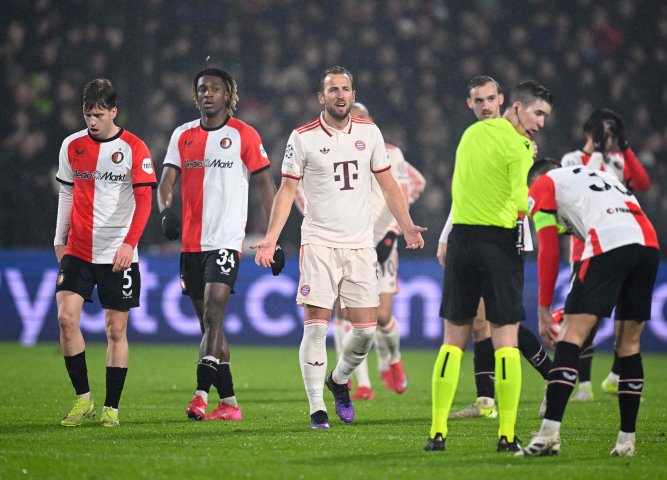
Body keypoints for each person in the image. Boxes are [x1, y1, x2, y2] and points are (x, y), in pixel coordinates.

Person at [252, 66, 426, 430]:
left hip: (361, 245)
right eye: (333, 90)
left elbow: (390, 185)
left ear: (352, 94)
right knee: (316, 328)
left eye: (346, 89)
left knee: (365, 331)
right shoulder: (302, 137)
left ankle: (339, 379)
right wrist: (270, 238)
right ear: (321, 97)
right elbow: (286, 191)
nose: (340, 95)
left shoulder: (370, 133)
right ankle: (317, 406)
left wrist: (406, 224)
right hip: (319, 244)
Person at [425, 80, 553, 452]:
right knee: (505, 338)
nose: (540, 123)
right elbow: (518, 198)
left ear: (499, 101)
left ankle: (437, 433)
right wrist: (548, 205)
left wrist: (448, 236)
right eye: (537, 113)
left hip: (463, 239)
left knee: (453, 341)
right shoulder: (521, 145)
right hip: (500, 242)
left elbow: (460, 189)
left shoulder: (469, 135)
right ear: (515, 107)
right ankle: (508, 436)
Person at [157, 66, 280, 421]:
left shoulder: (244, 134)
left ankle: (199, 396)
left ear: (228, 95)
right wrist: (166, 211)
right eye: (202, 88)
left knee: (213, 313)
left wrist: (272, 237)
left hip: (226, 240)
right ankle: (229, 404)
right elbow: (166, 183)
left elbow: (265, 186)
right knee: (210, 326)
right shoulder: (182, 135)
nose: (208, 93)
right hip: (192, 245)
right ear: (195, 95)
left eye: (215, 88)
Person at [518, 159, 659, 457]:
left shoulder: (543, 184)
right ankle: (626, 441)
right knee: (629, 344)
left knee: (570, 336)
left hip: (609, 243)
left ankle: (548, 436)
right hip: (648, 244)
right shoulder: (597, 178)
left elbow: (548, 249)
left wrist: (544, 308)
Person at [54, 78, 156, 427]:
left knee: (115, 330)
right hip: (79, 248)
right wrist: (58, 240)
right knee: (66, 320)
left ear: (114, 111)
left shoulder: (134, 148)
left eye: (99, 114)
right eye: (87, 114)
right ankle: (83, 399)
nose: (92, 121)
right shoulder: (71, 146)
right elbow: (67, 194)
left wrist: (129, 244)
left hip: (118, 253)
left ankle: (111, 407)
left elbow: (144, 202)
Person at [331, 102, 426, 400]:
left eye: (361, 120)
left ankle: (392, 359)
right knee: (345, 313)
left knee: (382, 315)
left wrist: (394, 232)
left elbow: (408, 187)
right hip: (347, 241)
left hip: (382, 239)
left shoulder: (390, 152)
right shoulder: (335, 152)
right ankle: (361, 384)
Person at [560, 109, 651, 402]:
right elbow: (591, 180)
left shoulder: (617, 159)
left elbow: (643, 183)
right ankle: (583, 384)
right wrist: (597, 150)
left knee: (628, 315)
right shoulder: (572, 160)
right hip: (586, 249)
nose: (608, 139)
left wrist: (624, 146)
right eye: (605, 133)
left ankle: (614, 377)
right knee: (589, 319)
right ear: (590, 132)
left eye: (613, 133)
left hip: (621, 244)